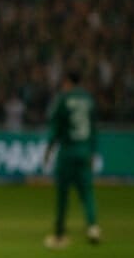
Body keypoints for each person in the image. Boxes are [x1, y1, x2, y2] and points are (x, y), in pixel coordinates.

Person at [43, 69, 100, 249]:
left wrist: (48, 151)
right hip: (84, 151)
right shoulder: (89, 100)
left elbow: (55, 128)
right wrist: (93, 152)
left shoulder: (63, 99)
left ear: (67, 81)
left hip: (67, 152)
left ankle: (59, 235)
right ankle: (93, 227)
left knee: (63, 195)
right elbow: (94, 129)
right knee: (87, 193)